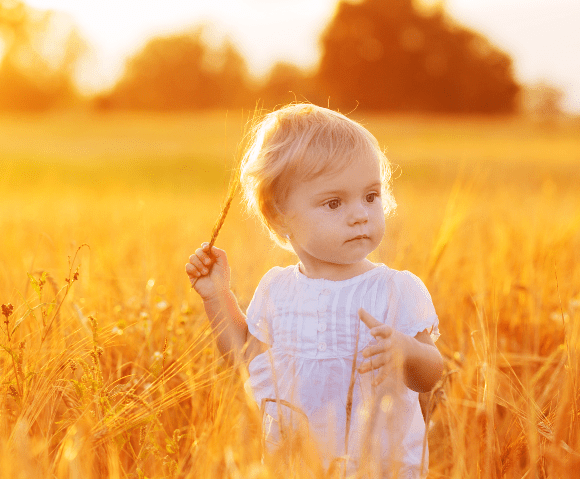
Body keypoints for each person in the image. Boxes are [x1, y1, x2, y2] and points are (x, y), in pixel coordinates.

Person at [185, 103, 443, 478]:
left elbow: (431, 374)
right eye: (334, 202)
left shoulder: (395, 289)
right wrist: (216, 295)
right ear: (278, 216)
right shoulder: (277, 289)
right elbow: (243, 360)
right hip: (296, 464)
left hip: (378, 466)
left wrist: (408, 352)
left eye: (371, 196)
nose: (360, 214)